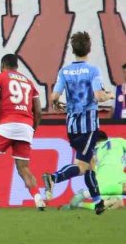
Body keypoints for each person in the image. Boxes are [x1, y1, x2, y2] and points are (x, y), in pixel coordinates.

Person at [42, 32, 115, 215]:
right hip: (88, 127)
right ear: (89, 48)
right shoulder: (93, 70)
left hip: (72, 127)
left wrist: (57, 102)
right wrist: (110, 95)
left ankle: (98, 203)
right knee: (82, 166)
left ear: (73, 49)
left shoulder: (64, 71)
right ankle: (53, 178)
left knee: (90, 164)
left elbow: (54, 97)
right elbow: (99, 96)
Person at [0, 53, 45, 212]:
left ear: (2, 66)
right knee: (23, 167)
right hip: (26, 127)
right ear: (17, 67)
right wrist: (33, 129)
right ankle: (38, 198)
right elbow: (38, 111)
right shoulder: (29, 82)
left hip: (8, 125)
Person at [61, 131, 126, 211]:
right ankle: (83, 197)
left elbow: (88, 168)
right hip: (119, 175)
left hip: (102, 178)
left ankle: (80, 202)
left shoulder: (92, 150)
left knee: (117, 204)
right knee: (116, 204)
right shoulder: (119, 141)